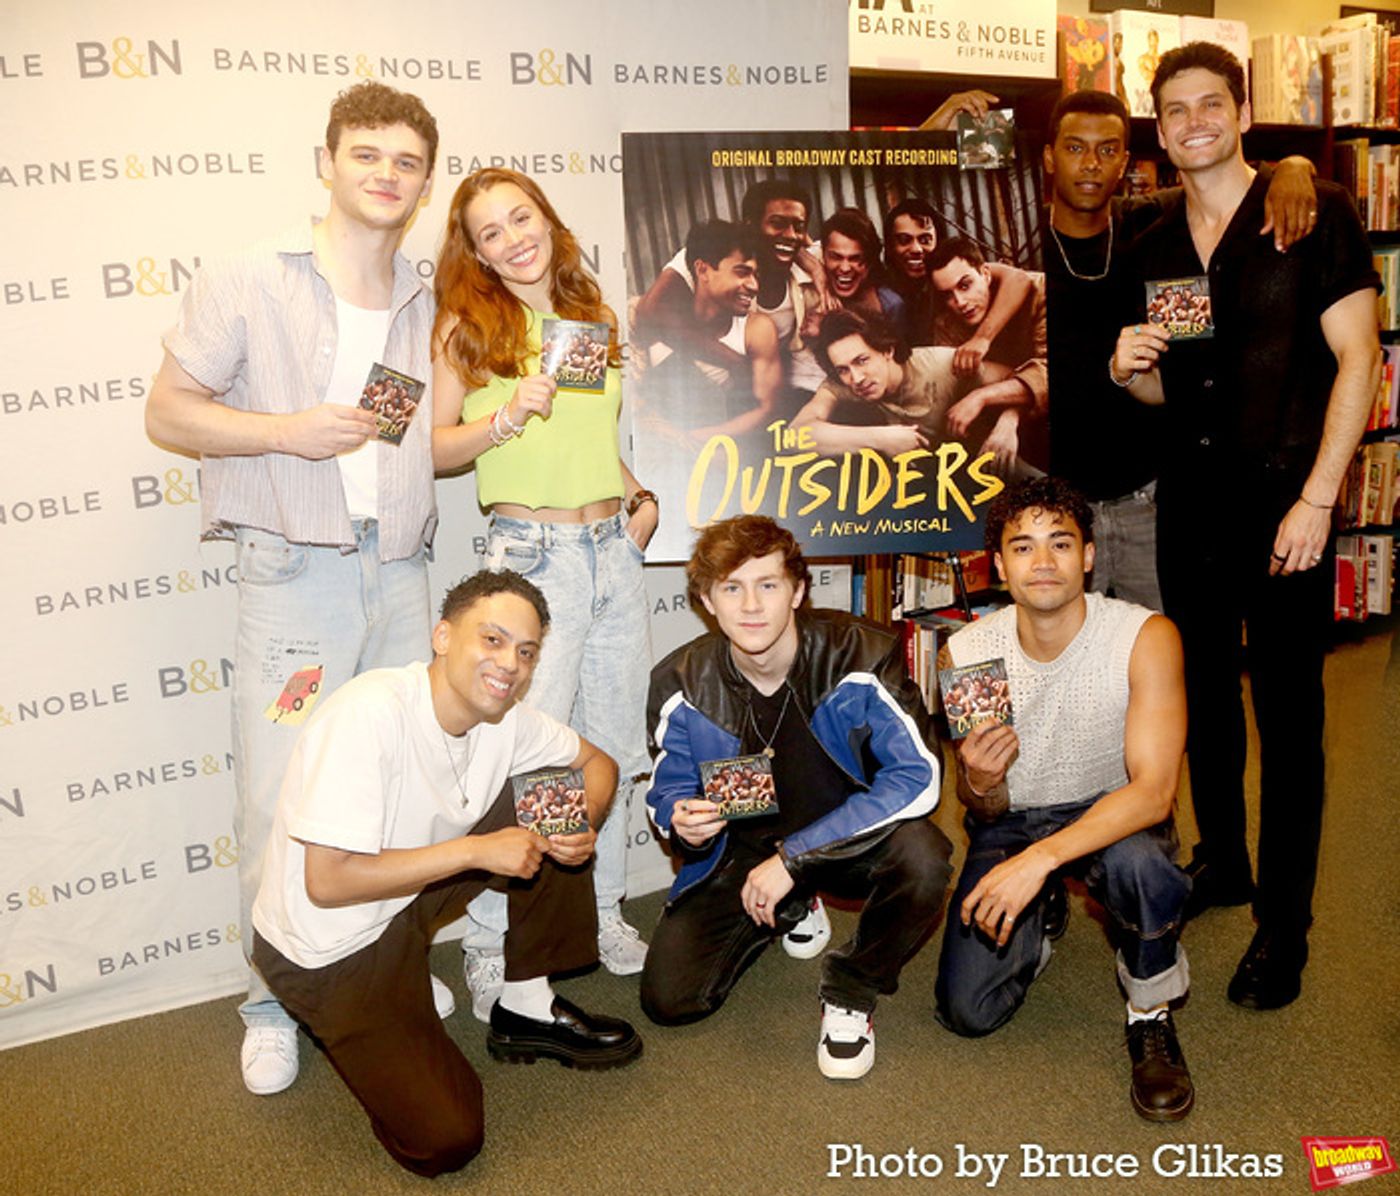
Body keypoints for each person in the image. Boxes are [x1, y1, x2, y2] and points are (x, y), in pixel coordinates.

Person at [144, 81, 441, 1096]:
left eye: (405, 160)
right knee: (281, 797)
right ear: (326, 162)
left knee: (397, 789)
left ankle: (384, 973)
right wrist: (281, 430)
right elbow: (169, 412)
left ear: (423, 179)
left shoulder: (425, 291)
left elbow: (424, 432)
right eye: (366, 154)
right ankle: (271, 1000)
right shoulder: (248, 279)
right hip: (292, 579)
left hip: (399, 572)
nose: (385, 174)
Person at [1112, 42, 1381, 1009]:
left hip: (1287, 508)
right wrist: (1129, 364)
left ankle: (1287, 932)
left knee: (1290, 714)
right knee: (1206, 706)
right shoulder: (1151, 245)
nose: (1193, 121)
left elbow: (1358, 361)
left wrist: (1320, 497)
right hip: (1190, 504)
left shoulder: (1312, 212)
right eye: (1175, 108)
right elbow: (1159, 396)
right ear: (1161, 125)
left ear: (1242, 110)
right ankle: (1224, 861)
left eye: (1210, 103)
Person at [250, 571, 642, 1177]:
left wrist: (575, 827)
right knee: (448, 1140)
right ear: (441, 635)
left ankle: (526, 1007)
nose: (509, 663)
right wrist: (476, 851)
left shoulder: (506, 718)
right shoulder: (368, 713)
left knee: (555, 793)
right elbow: (327, 882)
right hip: (328, 951)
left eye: (526, 651)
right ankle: (354, 1018)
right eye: (492, 639)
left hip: (405, 904)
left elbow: (599, 764)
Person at [431, 167, 657, 1020]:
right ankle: (494, 950)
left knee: (615, 749)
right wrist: (503, 418)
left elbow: (594, 438)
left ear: (546, 220)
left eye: (519, 218)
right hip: (534, 557)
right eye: (490, 231)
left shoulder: (589, 313)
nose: (511, 238)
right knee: (527, 759)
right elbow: (431, 449)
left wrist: (636, 495)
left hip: (611, 551)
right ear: (475, 251)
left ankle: (602, 915)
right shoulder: (469, 325)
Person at [642, 515, 951, 1080]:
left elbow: (918, 777)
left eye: (768, 584)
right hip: (745, 848)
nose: (751, 605)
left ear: (798, 591)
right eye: (731, 588)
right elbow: (668, 784)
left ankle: (851, 992)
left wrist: (795, 858)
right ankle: (792, 903)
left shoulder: (860, 654)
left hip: (849, 839)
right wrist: (677, 815)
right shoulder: (681, 679)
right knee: (671, 1001)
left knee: (924, 857)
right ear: (707, 601)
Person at [935, 478, 1193, 1122]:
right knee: (968, 1012)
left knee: (1143, 865)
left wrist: (1040, 860)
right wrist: (982, 783)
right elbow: (983, 807)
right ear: (998, 566)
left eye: (1060, 543)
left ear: (1088, 556)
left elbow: (1155, 794)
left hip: (1113, 808)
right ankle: (1043, 916)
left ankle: (1149, 1007)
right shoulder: (965, 651)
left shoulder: (1146, 636)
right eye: (1022, 547)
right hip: (1018, 821)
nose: (1042, 562)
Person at [1042, 89, 1318, 610]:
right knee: (1063, 668)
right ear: (1049, 156)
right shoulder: (1017, 246)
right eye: (1075, 148)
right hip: (1056, 508)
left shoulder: (1152, 225)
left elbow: (1229, 181)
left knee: (1170, 666)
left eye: (1108, 150)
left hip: (1150, 499)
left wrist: (1294, 167)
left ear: (1126, 160)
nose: (1091, 164)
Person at [634, 177, 827, 396]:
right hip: (707, 386)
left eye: (799, 227)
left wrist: (815, 268)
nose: (792, 235)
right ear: (750, 226)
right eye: (778, 223)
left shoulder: (810, 265)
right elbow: (649, 312)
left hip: (776, 385)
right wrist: (737, 364)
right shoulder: (714, 256)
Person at [792, 309, 1022, 472]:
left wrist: (1007, 423)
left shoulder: (942, 364)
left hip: (981, 460)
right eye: (842, 369)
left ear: (887, 350)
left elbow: (1018, 377)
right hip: (928, 483)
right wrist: (881, 439)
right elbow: (794, 436)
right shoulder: (845, 383)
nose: (856, 378)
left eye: (862, 360)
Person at [632, 219, 784, 443]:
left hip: (714, 445)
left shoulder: (757, 329)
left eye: (756, 275)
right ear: (703, 270)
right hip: (656, 441)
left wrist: (688, 438)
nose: (754, 286)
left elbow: (765, 410)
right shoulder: (661, 317)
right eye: (742, 272)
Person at [928, 236, 1048, 471]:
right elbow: (956, 387)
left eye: (965, 285)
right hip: (1007, 415)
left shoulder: (1041, 292)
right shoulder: (948, 324)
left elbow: (1054, 373)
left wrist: (992, 405)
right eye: (947, 295)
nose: (960, 302)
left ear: (985, 273)